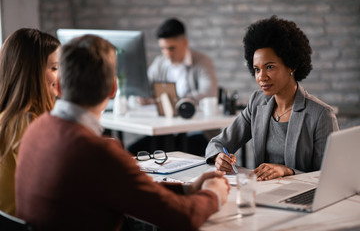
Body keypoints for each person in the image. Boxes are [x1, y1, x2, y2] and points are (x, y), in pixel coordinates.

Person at [15, 35, 230, 231]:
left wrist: (187, 189)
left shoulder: (36, 129)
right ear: (113, 88)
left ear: (59, 86)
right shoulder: (99, 153)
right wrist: (213, 194)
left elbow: (128, 190)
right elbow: (185, 218)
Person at [205, 16, 339, 181]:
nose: (262, 77)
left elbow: (330, 177)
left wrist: (288, 171)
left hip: (302, 198)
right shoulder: (257, 103)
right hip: (262, 193)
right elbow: (217, 143)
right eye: (256, 69)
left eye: (269, 67)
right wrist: (219, 157)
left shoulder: (321, 115)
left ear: (292, 65)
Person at [129, 18, 219, 155]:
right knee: (132, 151)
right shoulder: (160, 63)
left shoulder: (202, 61)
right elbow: (143, 88)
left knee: (171, 152)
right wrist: (142, 96)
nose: (167, 54)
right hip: (167, 131)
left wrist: (172, 100)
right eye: (163, 48)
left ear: (185, 42)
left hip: (197, 133)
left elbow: (209, 93)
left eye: (172, 48)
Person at [0, 28, 60, 215]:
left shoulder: (6, 118)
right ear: (31, 74)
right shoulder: (28, 122)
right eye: (54, 68)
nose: (59, 77)